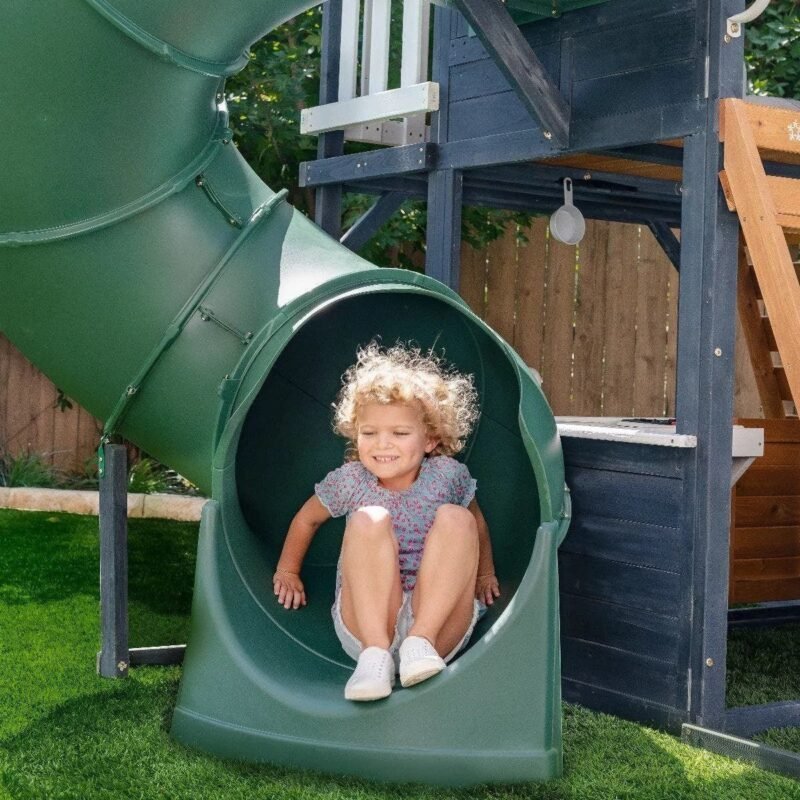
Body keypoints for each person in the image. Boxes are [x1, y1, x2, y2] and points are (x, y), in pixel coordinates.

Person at [272, 342, 500, 702]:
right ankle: (375, 657)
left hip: (438, 624)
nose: (382, 444)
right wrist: (287, 570)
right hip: (367, 624)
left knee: (457, 518)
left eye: (400, 433)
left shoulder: (448, 476)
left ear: (431, 439)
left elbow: (478, 526)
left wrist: (486, 574)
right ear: (355, 433)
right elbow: (307, 520)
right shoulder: (351, 480)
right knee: (369, 518)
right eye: (369, 433)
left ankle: (419, 642)